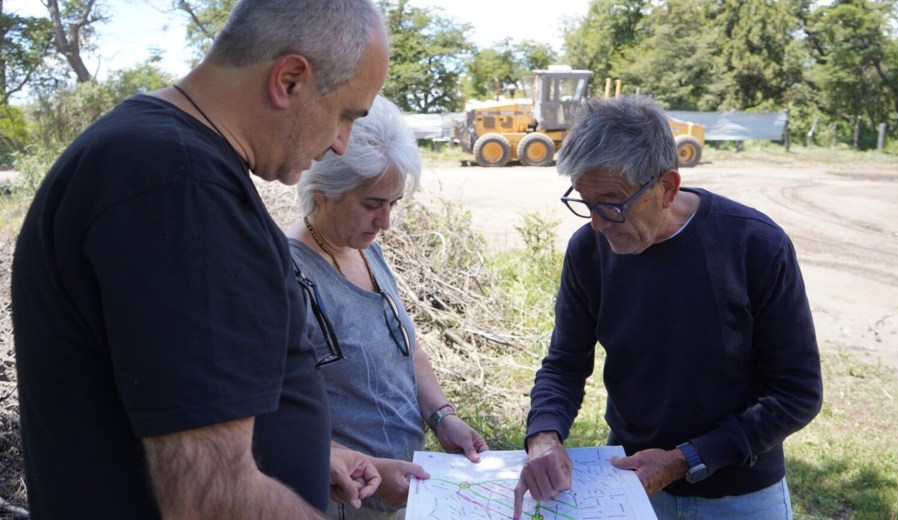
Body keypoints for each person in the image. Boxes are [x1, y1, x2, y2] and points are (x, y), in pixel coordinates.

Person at [11, 1, 390, 518]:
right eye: (346, 114)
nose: (343, 143)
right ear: (291, 80)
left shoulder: (155, 157)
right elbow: (210, 495)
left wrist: (306, 450)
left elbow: (173, 406)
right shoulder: (177, 186)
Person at [512, 95, 823, 520]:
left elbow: (797, 392)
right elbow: (564, 365)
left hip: (741, 497)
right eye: (585, 203)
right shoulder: (589, 250)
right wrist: (543, 437)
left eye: (611, 203)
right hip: (631, 487)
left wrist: (684, 460)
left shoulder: (754, 245)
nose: (598, 223)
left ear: (667, 187)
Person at [287, 94, 490, 519]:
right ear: (322, 193)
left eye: (393, 203)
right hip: (341, 500)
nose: (386, 222)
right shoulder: (286, 274)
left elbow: (407, 350)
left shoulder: (364, 250)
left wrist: (443, 418)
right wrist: (371, 468)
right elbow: (270, 414)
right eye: (372, 204)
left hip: (400, 492)